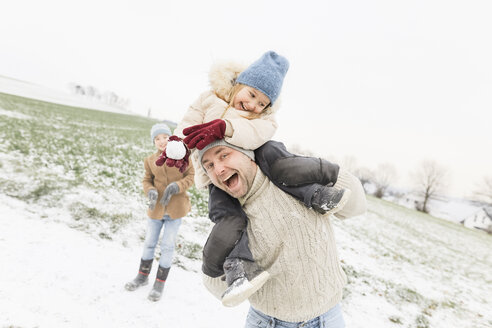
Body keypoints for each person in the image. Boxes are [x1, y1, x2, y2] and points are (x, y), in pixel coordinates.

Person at [156, 51, 349, 304]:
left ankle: (317, 194)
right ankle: (238, 268)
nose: (254, 106)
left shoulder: (262, 119)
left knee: (280, 163)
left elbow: (257, 134)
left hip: (254, 161)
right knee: (229, 220)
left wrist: (227, 128)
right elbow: (190, 120)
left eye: (262, 103)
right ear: (238, 84)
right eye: (252, 95)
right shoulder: (209, 99)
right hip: (216, 177)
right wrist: (179, 144)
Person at [198, 138, 367, 327]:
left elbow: (357, 207)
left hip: (328, 319)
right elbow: (218, 289)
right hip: (268, 321)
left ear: (247, 154)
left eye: (224, 155)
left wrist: (326, 171)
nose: (219, 169)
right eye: (209, 166)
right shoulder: (228, 218)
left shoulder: (296, 182)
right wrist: (213, 258)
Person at [124, 123, 195, 302]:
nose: (161, 141)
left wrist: (177, 186)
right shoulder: (150, 160)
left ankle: (159, 283)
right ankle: (142, 276)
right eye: (157, 139)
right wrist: (150, 191)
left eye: (164, 137)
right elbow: (146, 180)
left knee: (167, 246)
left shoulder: (182, 157)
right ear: (153, 142)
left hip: (175, 210)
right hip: (155, 209)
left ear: (170, 138)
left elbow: (191, 177)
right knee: (149, 243)